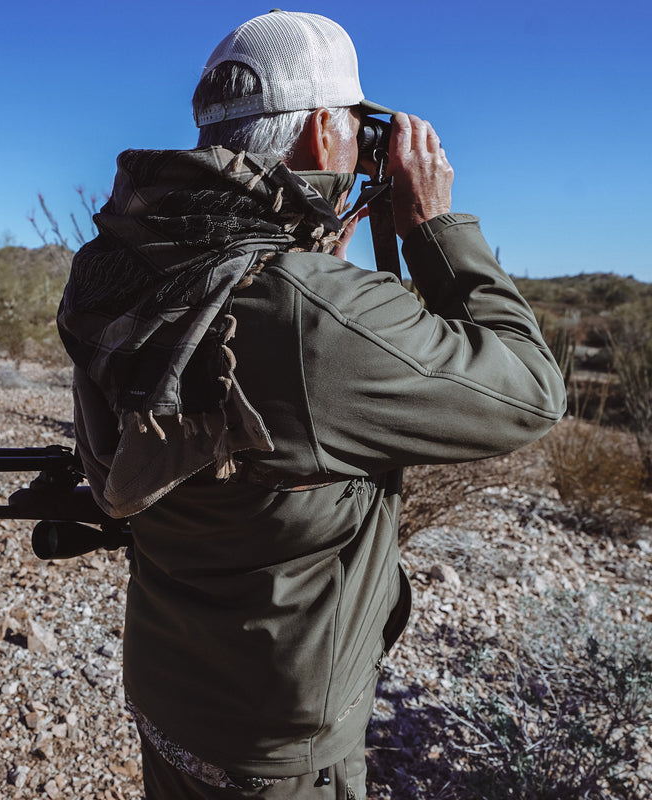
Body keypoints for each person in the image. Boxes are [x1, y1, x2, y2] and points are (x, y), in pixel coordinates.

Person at [57, 10, 567, 799]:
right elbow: (531, 391)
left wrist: (305, 251)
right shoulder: (310, 312)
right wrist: (434, 227)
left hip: (168, 697)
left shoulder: (123, 262)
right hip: (279, 744)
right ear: (325, 131)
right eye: (360, 125)